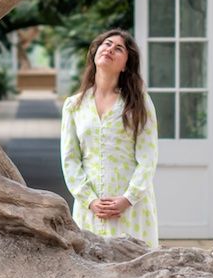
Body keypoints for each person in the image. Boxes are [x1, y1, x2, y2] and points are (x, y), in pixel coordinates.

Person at [60, 28, 159, 249]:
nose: (110, 49)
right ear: (95, 53)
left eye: (118, 48)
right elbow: (70, 159)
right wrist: (90, 200)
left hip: (131, 209)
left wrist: (128, 198)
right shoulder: (74, 105)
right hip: (90, 210)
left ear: (125, 65)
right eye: (106, 44)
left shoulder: (139, 103)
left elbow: (148, 157)